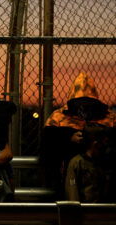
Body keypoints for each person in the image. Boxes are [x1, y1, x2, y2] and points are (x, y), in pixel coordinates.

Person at [40, 72, 116, 200]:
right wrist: (68, 138)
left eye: (88, 102)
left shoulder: (109, 116)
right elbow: (47, 143)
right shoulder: (59, 116)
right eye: (80, 102)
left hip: (102, 168)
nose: (84, 106)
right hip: (69, 170)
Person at [65, 124, 112, 202]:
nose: (105, 146)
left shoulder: (104, 163)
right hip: (85, 210)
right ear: (95, 144)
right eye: (103, 143)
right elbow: (72, 193)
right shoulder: (77, 163)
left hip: (103, 211)